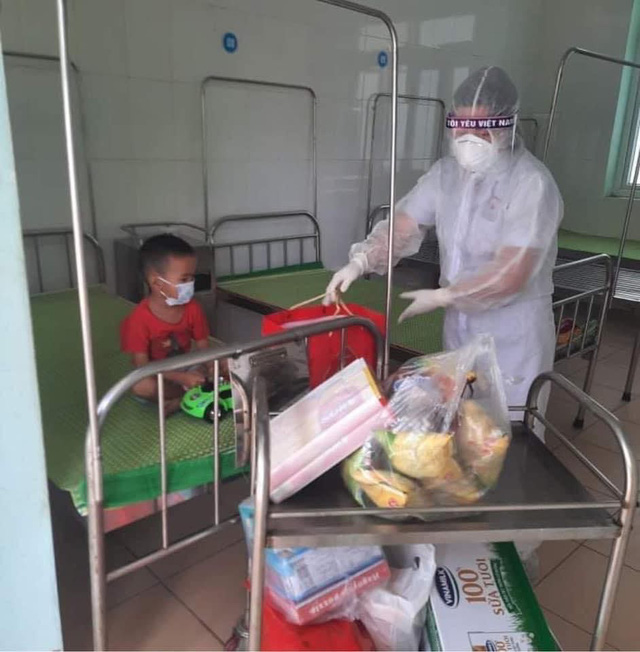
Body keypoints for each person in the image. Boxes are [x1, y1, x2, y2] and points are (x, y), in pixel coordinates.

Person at [324, 66, 563, 421]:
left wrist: (444, 296)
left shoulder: (531, 183)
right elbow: (403, 226)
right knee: (459, 421)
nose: (469, 138)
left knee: (508, 429)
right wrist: (360, 261)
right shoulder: (446, 174)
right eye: (461, 126)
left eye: (481, 128)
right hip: (460, 326)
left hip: (512, 332)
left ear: (507, 127)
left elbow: (512, 273)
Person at [120, 234, 213, 413]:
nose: (191, 284)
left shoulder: (193, 308)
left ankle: (183, 398)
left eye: (192, 278)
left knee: (225, 362)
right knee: (141, 386)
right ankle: (187, 395)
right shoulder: (138, 319)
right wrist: (181, 378)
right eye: (184, 279)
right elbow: (142, 365)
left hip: (186, 364)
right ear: (157, 283)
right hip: (156, 371)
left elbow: (204, 347)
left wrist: (210, 368)